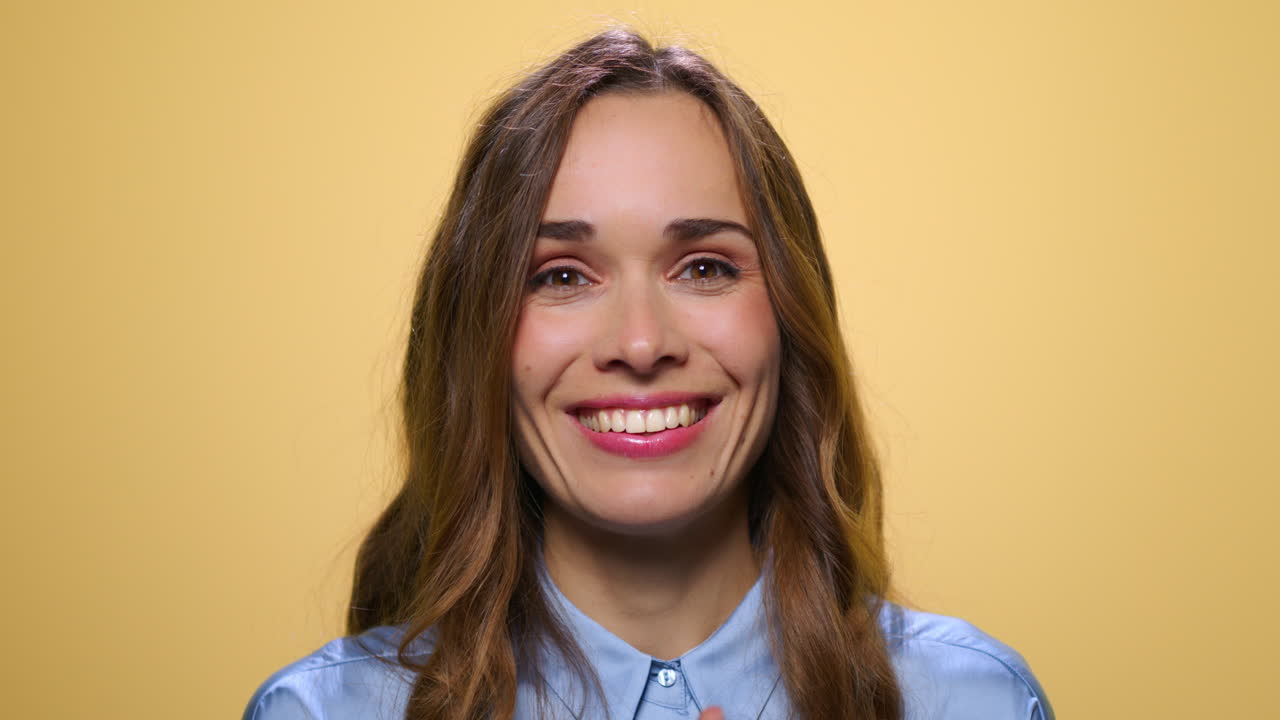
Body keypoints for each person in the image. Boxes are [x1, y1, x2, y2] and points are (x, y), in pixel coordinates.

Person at [242, 28, 1053, 720]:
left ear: (789, 318)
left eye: (703, 267)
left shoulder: (973, 699)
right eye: (561, 276)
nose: (639, 344)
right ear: (478, 337)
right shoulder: (325, 711)